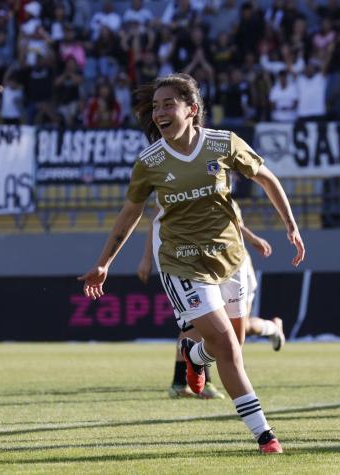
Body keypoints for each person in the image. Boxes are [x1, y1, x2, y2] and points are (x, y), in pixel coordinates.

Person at [78, 73, 305, 454]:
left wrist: (291, 226)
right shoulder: (150, 162)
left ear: (192, 110)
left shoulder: (222, 143)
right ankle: (265, 436)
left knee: (232, 345)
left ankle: (192, 356)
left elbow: (266, 178)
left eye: (168, 104)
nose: (159, 112)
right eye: (155, 107)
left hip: (231, 260)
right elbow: (131, 213)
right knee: (226, 346)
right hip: (181, 263)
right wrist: (104, 263)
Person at [137, 202, 287, 399]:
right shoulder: (167, 187)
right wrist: (147, 258)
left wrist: (251, 238)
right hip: (196, 264)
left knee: (234, 331)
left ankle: (271, 328)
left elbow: (230, 223)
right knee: (197, 324)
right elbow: (155, 222)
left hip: (231, 264)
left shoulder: (211, 187)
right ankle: (185, 382)